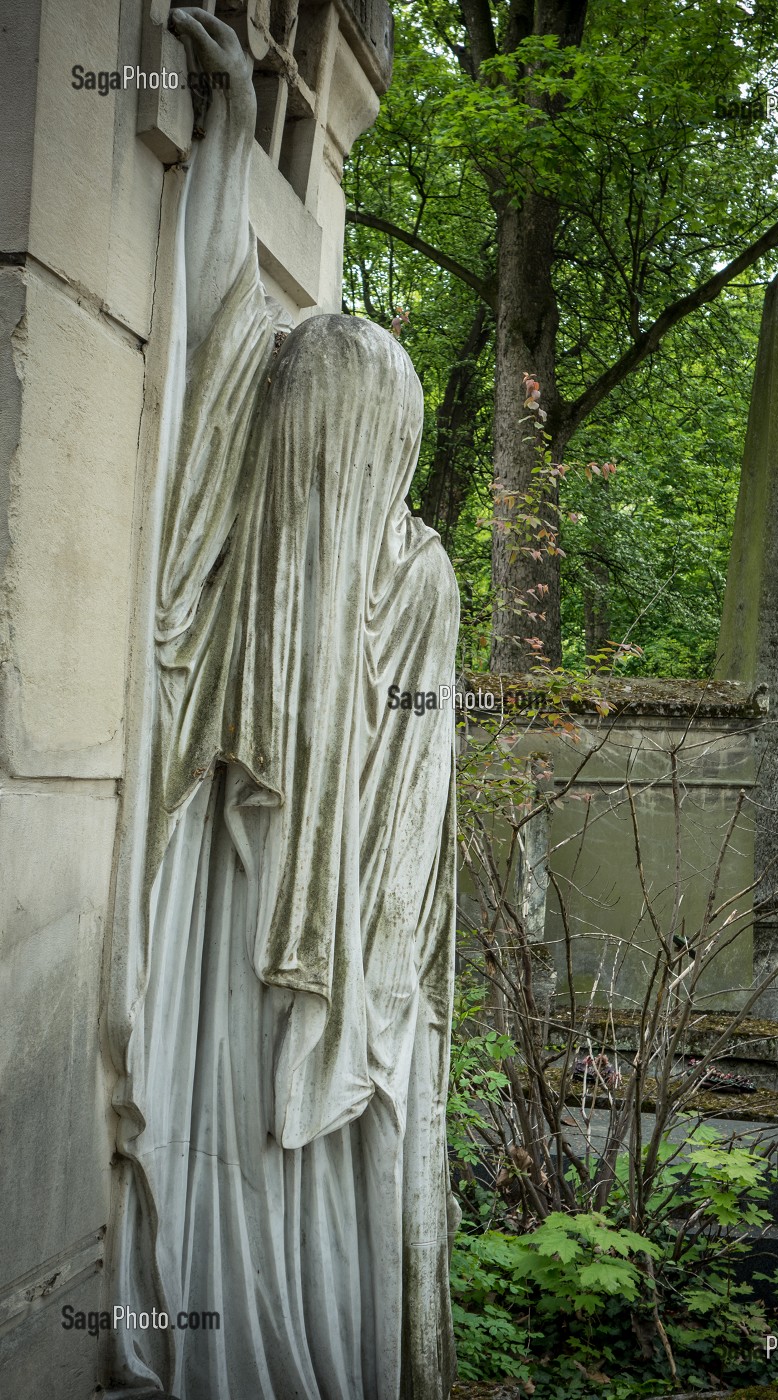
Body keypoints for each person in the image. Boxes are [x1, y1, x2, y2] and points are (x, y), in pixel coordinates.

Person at [107, 12, 460, 1398]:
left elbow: (206, 353)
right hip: (310, 963)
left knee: (239, 1152)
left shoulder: (311, 560)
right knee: (267, 1162)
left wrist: (232, 155)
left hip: (260, 917)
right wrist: (235, 149)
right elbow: (210, 350)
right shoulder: (408, 566)